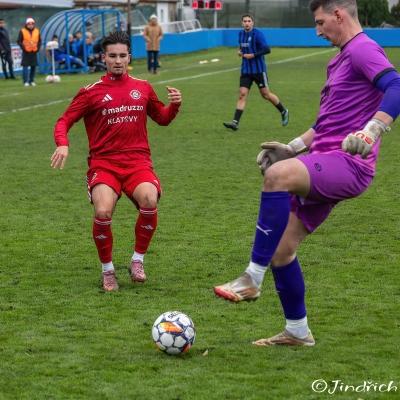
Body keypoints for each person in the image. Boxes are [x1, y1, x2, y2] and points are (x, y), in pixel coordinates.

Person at [214, 0, 400, 346]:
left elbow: (396, 87)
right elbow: (326, 122)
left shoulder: (362, 49)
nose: (317, 31)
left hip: (348, 163)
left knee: (277, 176)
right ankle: (297, 331)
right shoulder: (339, 59)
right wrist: (293, 147)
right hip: (324, 159)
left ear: (338, 15)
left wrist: (372, 130)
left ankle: (252, 278)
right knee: (282, 250)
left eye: (320, 22)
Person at [50, 31, 182, 292]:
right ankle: (108, 271)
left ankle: (137, 261)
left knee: (150, 200)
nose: (118, 60)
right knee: (102, 212)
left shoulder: (143, 87)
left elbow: (162, 118)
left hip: (137, 163)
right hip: (104, 164)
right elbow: (63, 121)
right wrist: (62, 143)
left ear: (129, 57)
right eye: (112, 56)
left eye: (122, 55)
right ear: (104, 58)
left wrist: (174, 106)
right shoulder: (90, 93)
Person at [223, 14, 289, 131]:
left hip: (259, 70)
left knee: (266, 95)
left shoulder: (257, 34)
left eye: (249, 21)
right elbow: (241, 47)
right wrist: (239, 51)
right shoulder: (241, 34)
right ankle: (235, 122)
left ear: (252, 23)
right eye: (245, 21)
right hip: (246, 70)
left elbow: (267, 49)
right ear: (242, 23)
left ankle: (283, 111)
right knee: (242, 94)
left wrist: (253, 55)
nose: (247, 23)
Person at [17, 17, 41, 86]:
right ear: (26, 24)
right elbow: (19, 41)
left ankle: (31, 80)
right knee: (25, 66)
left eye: (32, 24)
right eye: (29, 24)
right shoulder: (22, 31)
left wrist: (38, 48)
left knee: (33, 66)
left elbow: (39, 41)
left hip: (34, 51)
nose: (30, 25)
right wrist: (24, 48)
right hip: (26, 52)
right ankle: (25, 81)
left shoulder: (37, 31)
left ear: (34, 24)